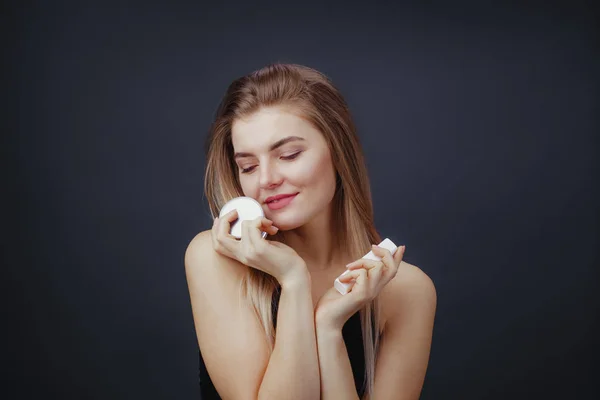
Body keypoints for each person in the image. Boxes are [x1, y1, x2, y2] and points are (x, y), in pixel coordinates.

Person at [185, 63, 437, 400]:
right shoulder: (217, 259)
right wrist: (293, 280)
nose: (266, 180)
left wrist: (329, 328)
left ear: (338, 151)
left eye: (288, 155)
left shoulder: (406, 290)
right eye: (248, 166)